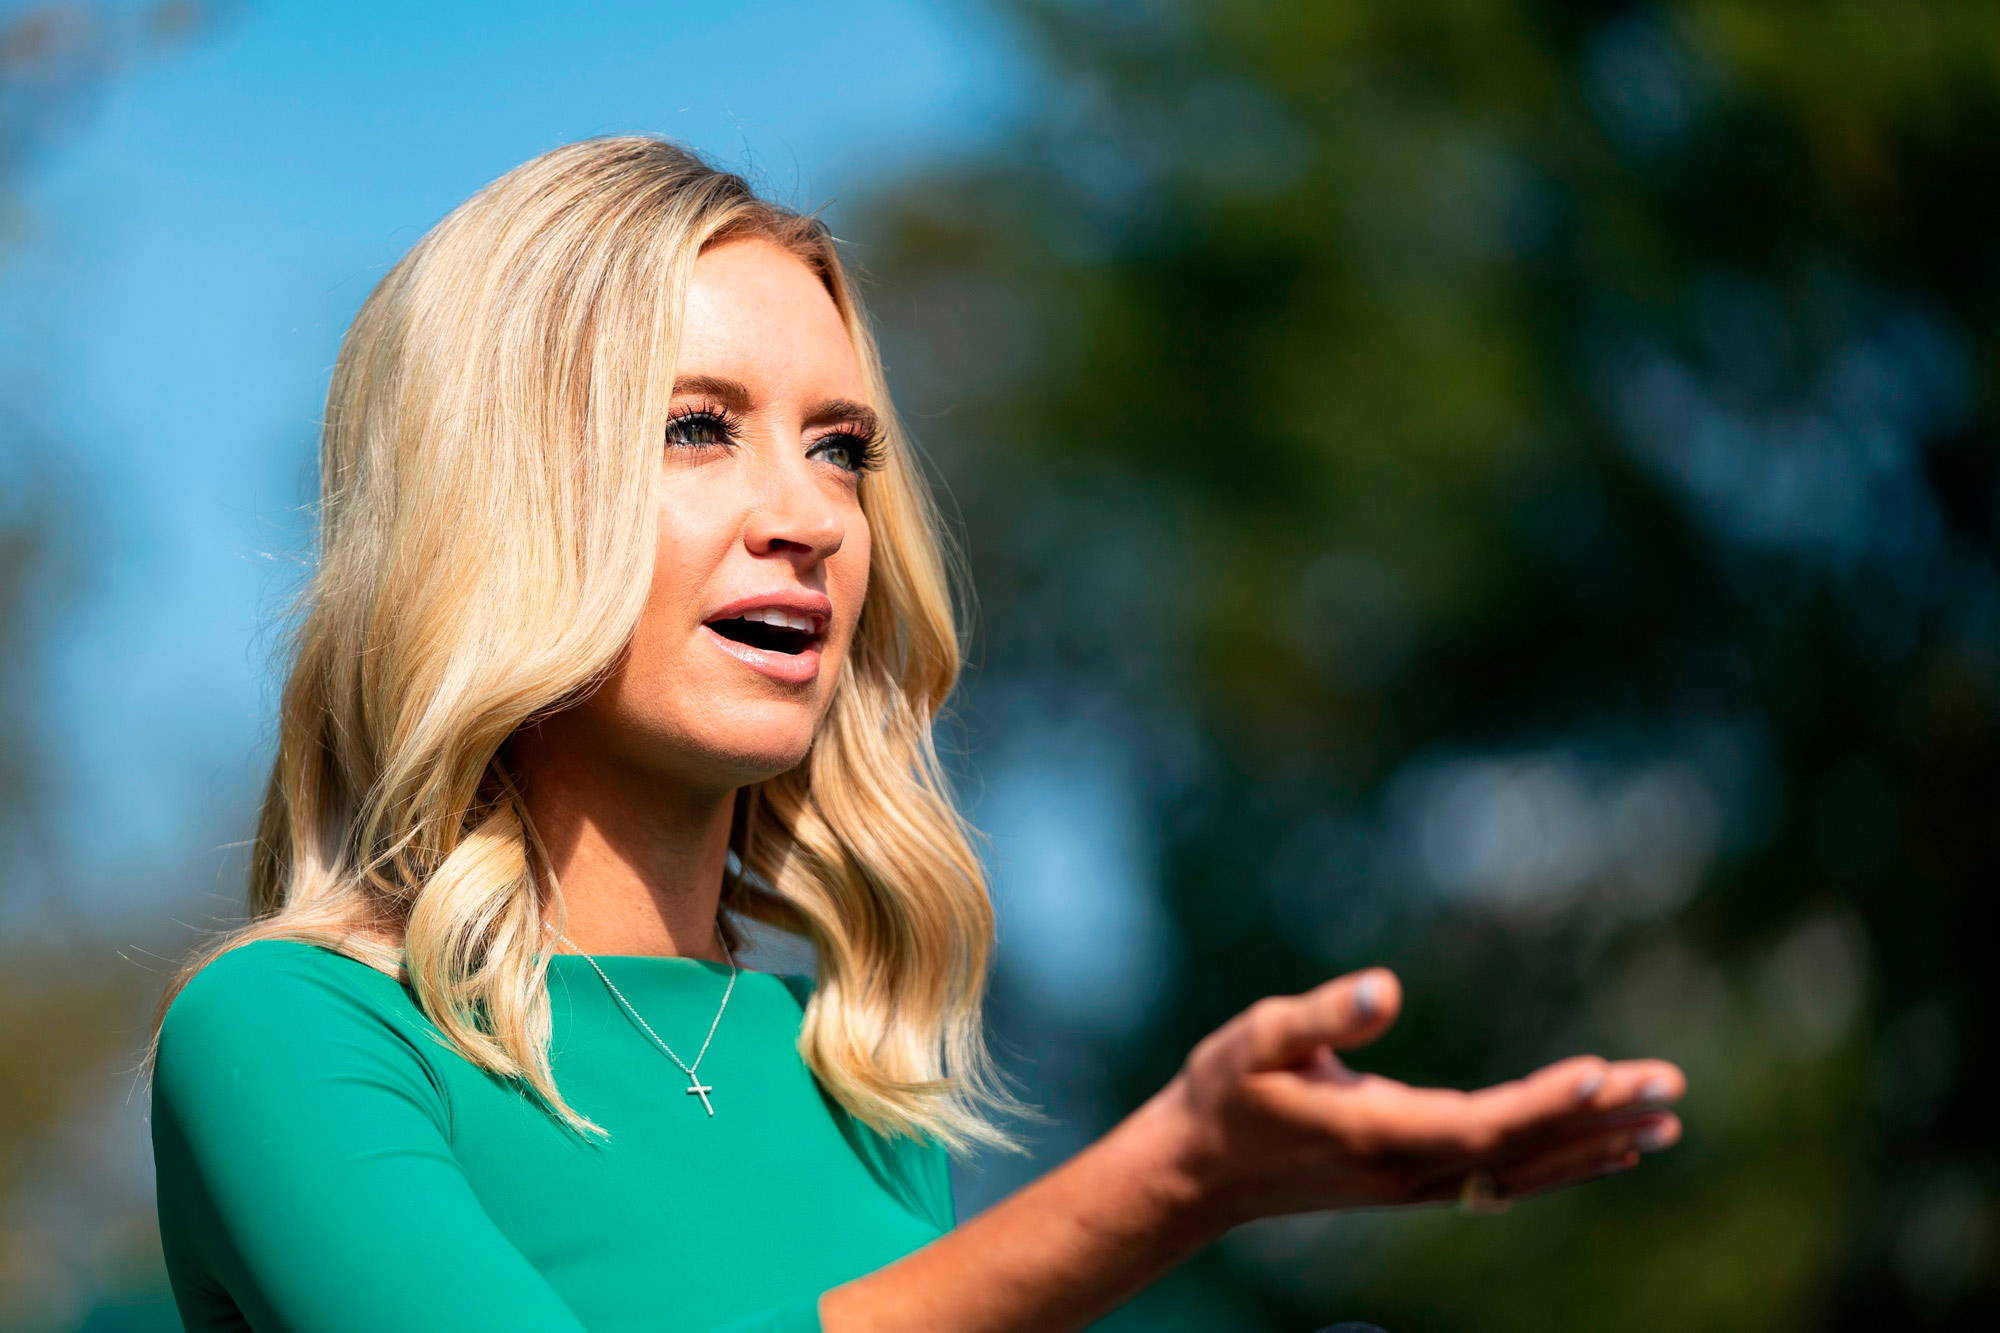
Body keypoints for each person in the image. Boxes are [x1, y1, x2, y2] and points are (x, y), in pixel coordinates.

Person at [148, 135, 1686, 1333]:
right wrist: (1166, 1182)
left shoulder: (854, 1081)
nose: (814, 514)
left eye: (843, 448)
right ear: (488, 502)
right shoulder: (292, 1034)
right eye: (698, 427)